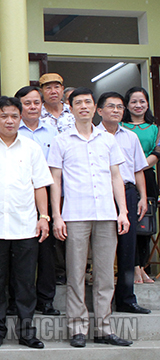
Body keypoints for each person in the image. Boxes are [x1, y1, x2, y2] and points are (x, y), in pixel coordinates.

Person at [48, 87, 132, 348]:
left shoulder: (108, 140)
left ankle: (104, 329)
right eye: (78, 103)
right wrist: (56, 216)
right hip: (75, 215)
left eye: (88, 102)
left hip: (107, 214)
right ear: (69, 108)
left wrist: (123, 211)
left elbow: (116, 177)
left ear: (95, 108)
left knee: (105, 275)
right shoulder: (61, 140)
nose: (83, 106)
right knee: (75, 274)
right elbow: (55, 181)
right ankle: (78, 329)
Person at [0, 96, 53, 349]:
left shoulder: (31, 148)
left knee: (25, 282)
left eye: (14, 116)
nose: (9, 121)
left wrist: (44, 217)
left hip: (26, 226)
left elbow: (40, 185)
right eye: (4, 116)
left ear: (20, 119)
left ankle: (27, 332)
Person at [97, 92, 150, 314]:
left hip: (127, 194)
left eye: (120, 107)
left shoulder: (130, 137)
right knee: (101, 249)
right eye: (111, 106)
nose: (117, 110)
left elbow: (138, 169)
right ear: (99, 111)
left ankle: (127, 299)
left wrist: (142, 197)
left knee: (127, 248)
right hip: (100, 194)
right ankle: (101, 301)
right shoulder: (92, 136)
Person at [15, 86, 60, 316]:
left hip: (47, 197)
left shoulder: (53, 132)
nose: (32, 107)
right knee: (20, 252)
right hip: (19, 198)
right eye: (27, 103)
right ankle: (17, 300)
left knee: (46, 251)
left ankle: (46, 300)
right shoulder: (13, 131)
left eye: (36, 103)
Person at [121, 86, 159, 284]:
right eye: (134, 102)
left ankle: (142, 267)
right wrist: (133, 167)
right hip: (125, 178)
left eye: (142, 101)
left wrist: (139, 164)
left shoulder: (155, 129)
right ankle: (133, 267)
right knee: (129, 222)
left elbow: (158, 152)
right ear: (127, 105)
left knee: (145, 223)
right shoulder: (120, 127)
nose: (138, 105)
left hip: (147, 178)